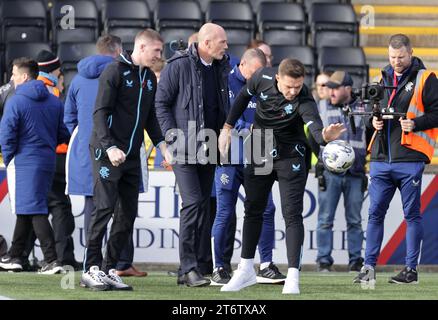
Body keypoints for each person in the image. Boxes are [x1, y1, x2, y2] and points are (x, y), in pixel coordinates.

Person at [218, 58, 345, 294]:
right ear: (277, 78)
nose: (293, 92)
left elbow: (314, 125)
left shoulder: (304, 97)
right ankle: (245, 270)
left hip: (291, 154)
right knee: (253, 209)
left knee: (291, 214)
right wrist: (226, 128)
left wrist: (324, 137)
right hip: (259, 147)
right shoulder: (261, 78)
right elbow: (242, 98)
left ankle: (293, 276)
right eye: (289, 87)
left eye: (297, 86)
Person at [80, 29, 167, 291]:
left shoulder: (150, 78)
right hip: (107, 154)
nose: (160, 56)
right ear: (141, 48)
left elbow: (150, 116)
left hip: (131, 156)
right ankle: (90, 269)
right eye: (157, 51)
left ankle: (109, 269)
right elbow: (99, 113)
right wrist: (109, 148)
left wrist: (163, 144)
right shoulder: (114, 72)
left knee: (127, 214)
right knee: (104, 208)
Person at [354, 34, 438, 285]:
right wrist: (373, 122)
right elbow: (372, 114)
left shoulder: (427, 78)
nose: (396, 61)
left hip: (409, 156)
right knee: (374, 215)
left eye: (401, 57)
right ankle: (368, 268)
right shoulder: (381, 79)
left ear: (411, 53)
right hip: (380, 157)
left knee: (411, 215)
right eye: (392, 57)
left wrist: (416, 123)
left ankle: (410, 271)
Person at [155, 23, 230, 287]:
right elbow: (161, 104)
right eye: (222, 42)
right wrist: (171, 138)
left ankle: (191, 268)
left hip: (209, 147)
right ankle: (188, 268)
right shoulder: (177, 65)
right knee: (193, 204)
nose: (226, 46)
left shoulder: (222, 65)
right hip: (184, 147)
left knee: (205, 207)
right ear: (206, 43)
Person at [211, 48, 286, 286]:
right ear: (242, 64)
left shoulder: (265, 83)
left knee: (267, 209)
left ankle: (265, 265)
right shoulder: (224, 82)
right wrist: (251, 128)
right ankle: (219, 267)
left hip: (258, 156)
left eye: (259, 74)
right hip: (230, 157)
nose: (256, 79)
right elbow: (227, 117)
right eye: (253, 73)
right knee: (225, 211)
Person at [0, 57, 69, 274]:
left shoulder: (16, 101)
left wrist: (10, 157)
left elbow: (6, 134)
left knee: (35, 208)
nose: (11, 78)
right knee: (27, 208)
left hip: (24, 161)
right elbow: (63, 133)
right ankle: (15, 256)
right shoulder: (55, 101)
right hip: (47, 161)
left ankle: (52, 259)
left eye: (14, 73)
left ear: (25, 76)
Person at [315, 71, 367, 273]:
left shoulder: (364, 107)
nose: (331, 91)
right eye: (329, 87)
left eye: (335, 88)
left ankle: (356, 261)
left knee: (355, 220)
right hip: (330, 173)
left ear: (347, 89)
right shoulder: (321, 106)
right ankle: (324, 262)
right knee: (325, 219)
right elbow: (313, 138)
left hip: (355, 172)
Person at [34, 50, 77, 268]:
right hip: (58, 155)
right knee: (59, 208)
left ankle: (20, 254)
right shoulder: (55, 93)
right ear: (55, 69)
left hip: (38, 156)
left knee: (39, 207)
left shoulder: (30, 91)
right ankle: (60, 257)